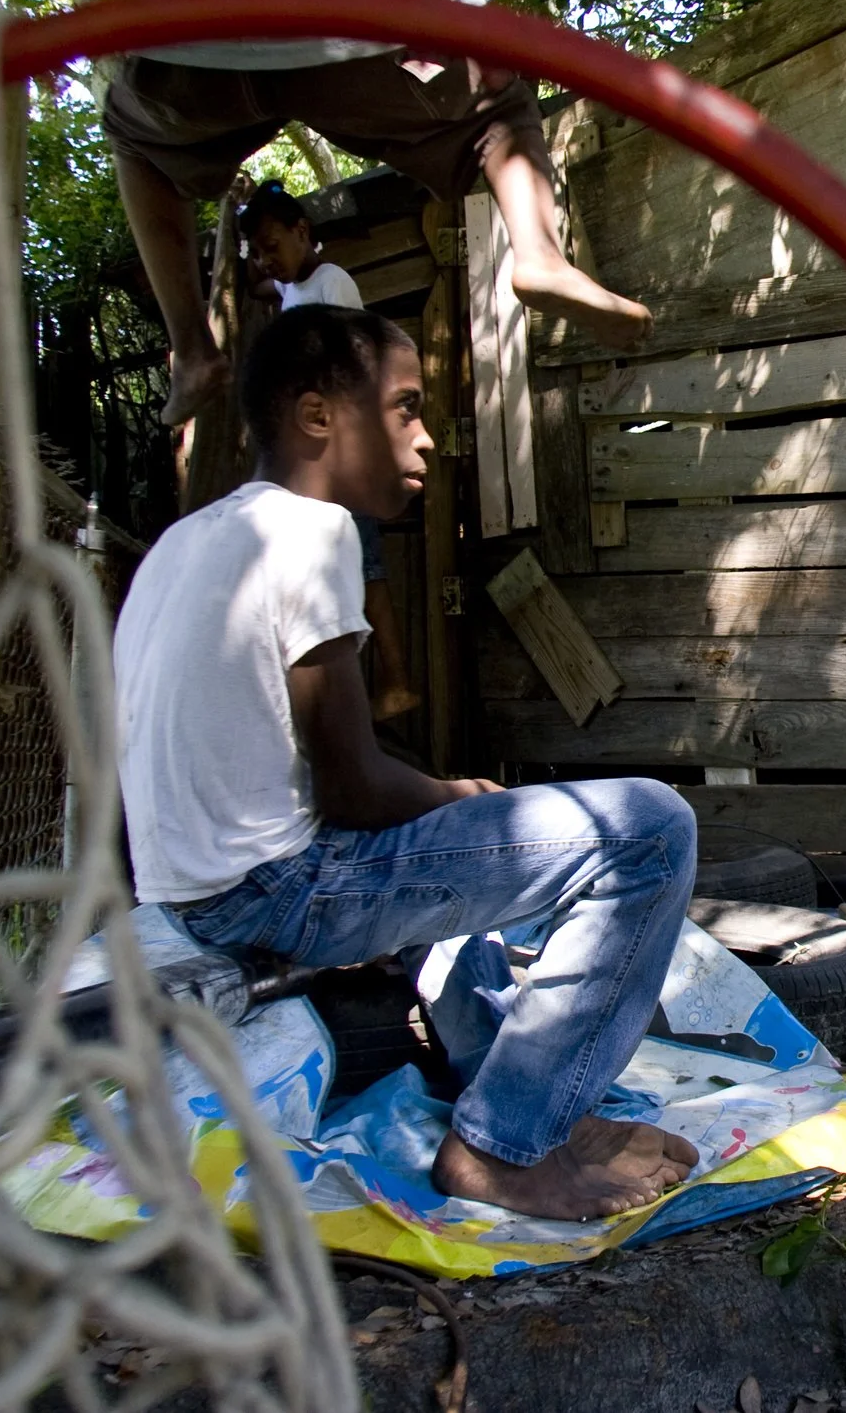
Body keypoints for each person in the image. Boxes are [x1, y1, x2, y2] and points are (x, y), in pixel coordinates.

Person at [113, 305, 701, 1218]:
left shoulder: (182, 542)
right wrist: (454, 796)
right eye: (404, 408)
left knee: (467, 837)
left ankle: (528, 1096)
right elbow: (352, 789)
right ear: (319, 417)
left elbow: (306, 759)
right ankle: (505, 1145)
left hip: (181, 897)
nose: (427, 439)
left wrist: (447, 805)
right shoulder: (312, 531)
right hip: (274, 891)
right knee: (651, 829)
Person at [110, 0, 652, 427]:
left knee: (138, 144)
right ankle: (539, 252)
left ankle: (189, 347)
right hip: (367, 18)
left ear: (305, 234)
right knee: (499, 112)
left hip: (200, 33)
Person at [241, 181, 363, 313]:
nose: (264, 262)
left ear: (301, 230)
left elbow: (351, 333)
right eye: (255, 255)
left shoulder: (332, 282)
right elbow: (255, 289)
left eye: (271, 246)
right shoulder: (287, 286)